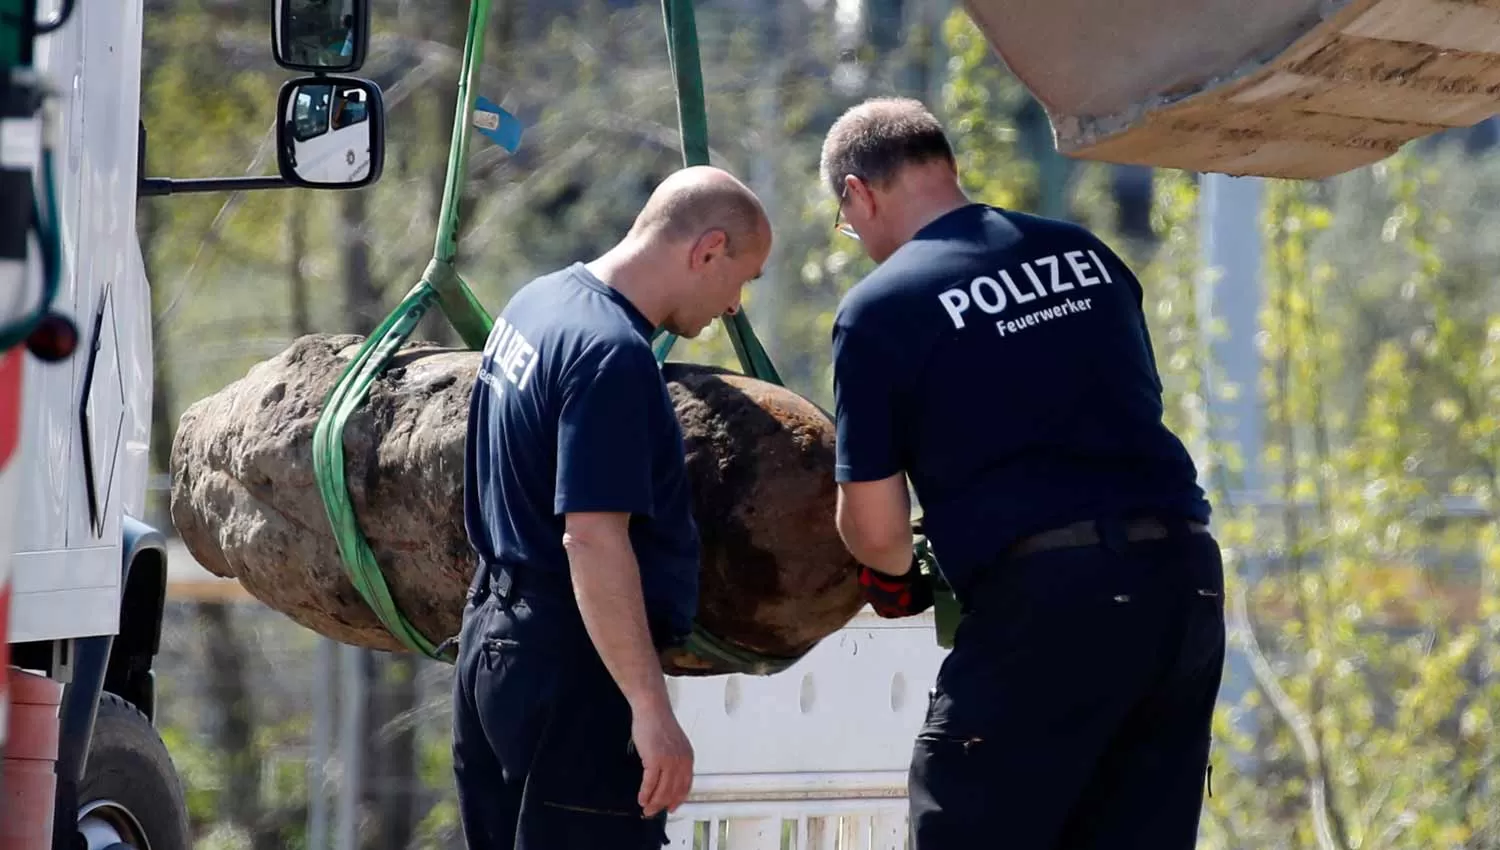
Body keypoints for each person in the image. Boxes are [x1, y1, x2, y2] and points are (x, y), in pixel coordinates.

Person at [820, 97, 1226, 849]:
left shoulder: (880, 308)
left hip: (1053, 602)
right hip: (1184, 580)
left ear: (858, 193)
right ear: (945, 166)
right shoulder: (1085, 252)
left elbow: (878, 534)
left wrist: (893, 570)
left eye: (847, 225)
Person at [452, 165, 773, 849]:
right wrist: (650, 707)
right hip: (568, 673)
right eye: (743, 278)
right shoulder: (612, 357)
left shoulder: (536, 304)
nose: (734, 305)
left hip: (491, 641)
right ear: (707, 249)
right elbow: (592, 541)